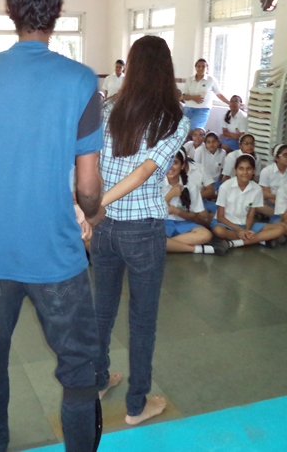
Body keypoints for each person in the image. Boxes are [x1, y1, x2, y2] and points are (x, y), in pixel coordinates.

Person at [0, 0, 105, 450]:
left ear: (9, 8)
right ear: (58, 9)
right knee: (79, 371)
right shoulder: (81, 82)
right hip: (55, 255)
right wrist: (91, 212)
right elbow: (88, 187)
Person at [91, 35, 188, 428]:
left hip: (105, 228)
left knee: (102, 309)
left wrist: (95, 208)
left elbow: (91, 162)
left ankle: (97, 382)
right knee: (142, 319)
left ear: (130, 67)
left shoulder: (109, 108)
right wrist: (98, 206)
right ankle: (136, 406)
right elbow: (147, 170)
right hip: (143, 230)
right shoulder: (174, 119)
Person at [210, 154, 285, 248]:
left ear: (254, 171)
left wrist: (247, 230)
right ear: (235, 170)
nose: (245, 172)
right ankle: (258, 240)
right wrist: (240, 230)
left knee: (281, 228)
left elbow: (250, 215)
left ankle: (235, 243)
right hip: (226, 223)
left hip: (245, 224)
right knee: (219, 231)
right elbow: (220, 217)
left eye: (248, 169)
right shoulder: (225, 187)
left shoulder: (257, 189)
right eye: (241, 169)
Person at [164, 149, 226, 255]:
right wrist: (170, 195)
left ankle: (167, 245)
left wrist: (177, 211)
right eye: (167, 162)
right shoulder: (156, 182)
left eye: (175, 163)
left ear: (182, 165)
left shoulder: (190, 184)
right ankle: (196, 249)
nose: (170, 167)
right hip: (161, 223)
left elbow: (198, 216)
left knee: (205, 234)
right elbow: (150, 211)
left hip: (183, 223)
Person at [181, 58, 230, 130]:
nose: (201, 68)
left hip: (202, 110)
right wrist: (193, 98)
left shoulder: (211, 80)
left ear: (207, 68)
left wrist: (229, 103)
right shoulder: (190, 79)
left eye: (203, 66)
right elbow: (184, 96)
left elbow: (219, 94)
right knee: (183, 129)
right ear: (195, 67)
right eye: (199, 66)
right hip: (188, 109)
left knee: (195, 130)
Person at [258, 144, 287, 216]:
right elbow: (265, 194)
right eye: (285, 155)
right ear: (277, 158)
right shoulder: (267, 171)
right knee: (258, 204)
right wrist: (280, 199)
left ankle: (281, 215)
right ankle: (279, 215)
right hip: (271, 202)